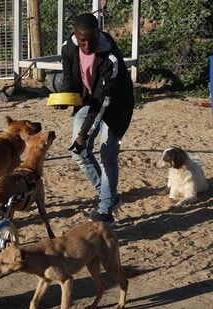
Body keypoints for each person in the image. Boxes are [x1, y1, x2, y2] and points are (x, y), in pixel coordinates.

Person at [59, 13, 134, 225]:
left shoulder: (110, 57)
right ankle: (109, 196)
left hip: (116, 107)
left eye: (91, 39)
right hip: (89, 102)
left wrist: (84, 133)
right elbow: (71, 79)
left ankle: (106, 212)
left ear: (98, 33)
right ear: (75, 34)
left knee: (107, 155)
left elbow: (104, 101)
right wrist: (65, 98)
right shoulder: (68, 48)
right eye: (82, 39)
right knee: (78, 152)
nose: (87, 44)